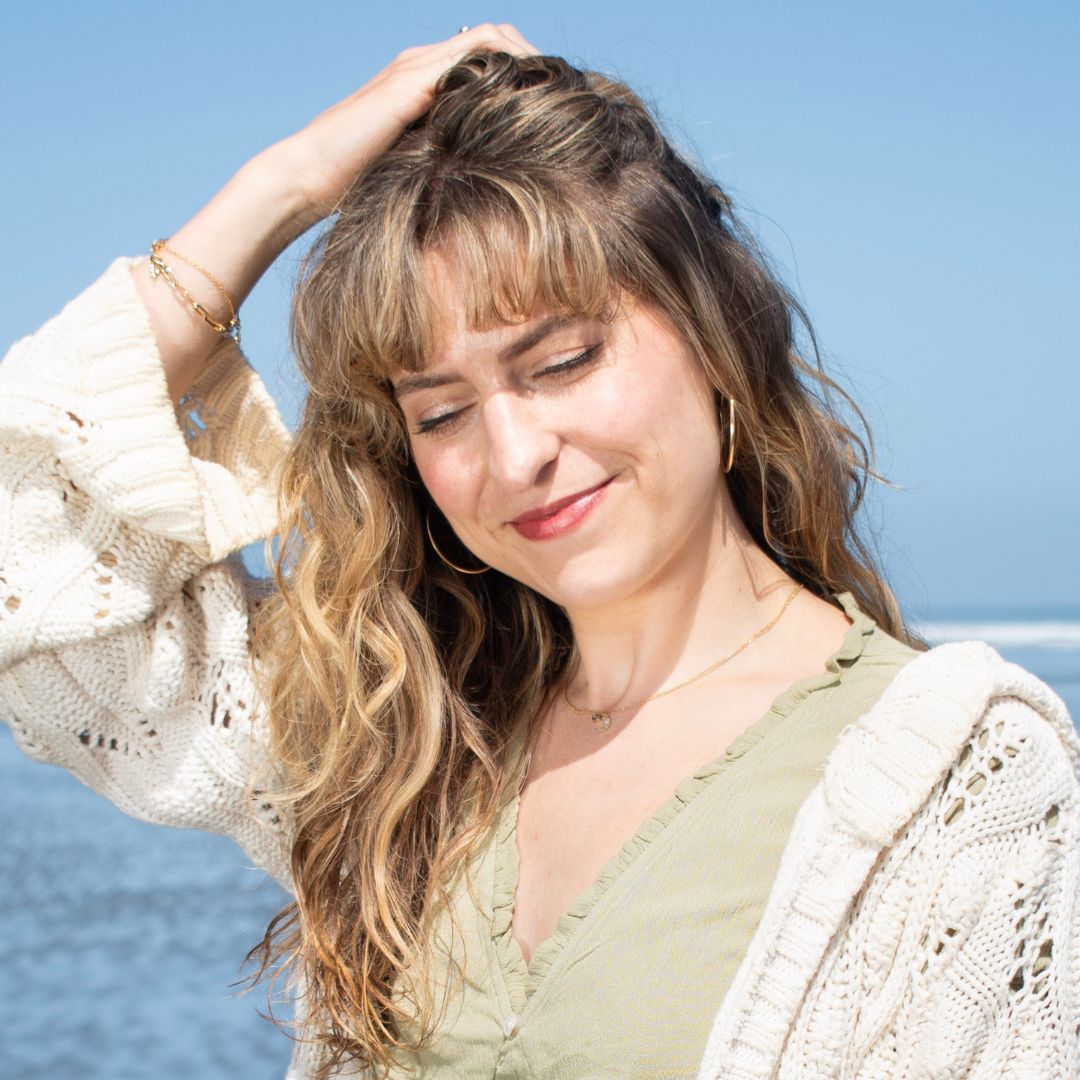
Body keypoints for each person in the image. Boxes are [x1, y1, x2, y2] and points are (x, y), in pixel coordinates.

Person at [1, 23, 1077, 1080]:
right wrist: (283, 184)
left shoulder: (959, 782)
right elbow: (24, 553)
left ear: (714, 335)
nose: (514, 454)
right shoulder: (397, 740)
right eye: (441, 413)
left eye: (561, 361)